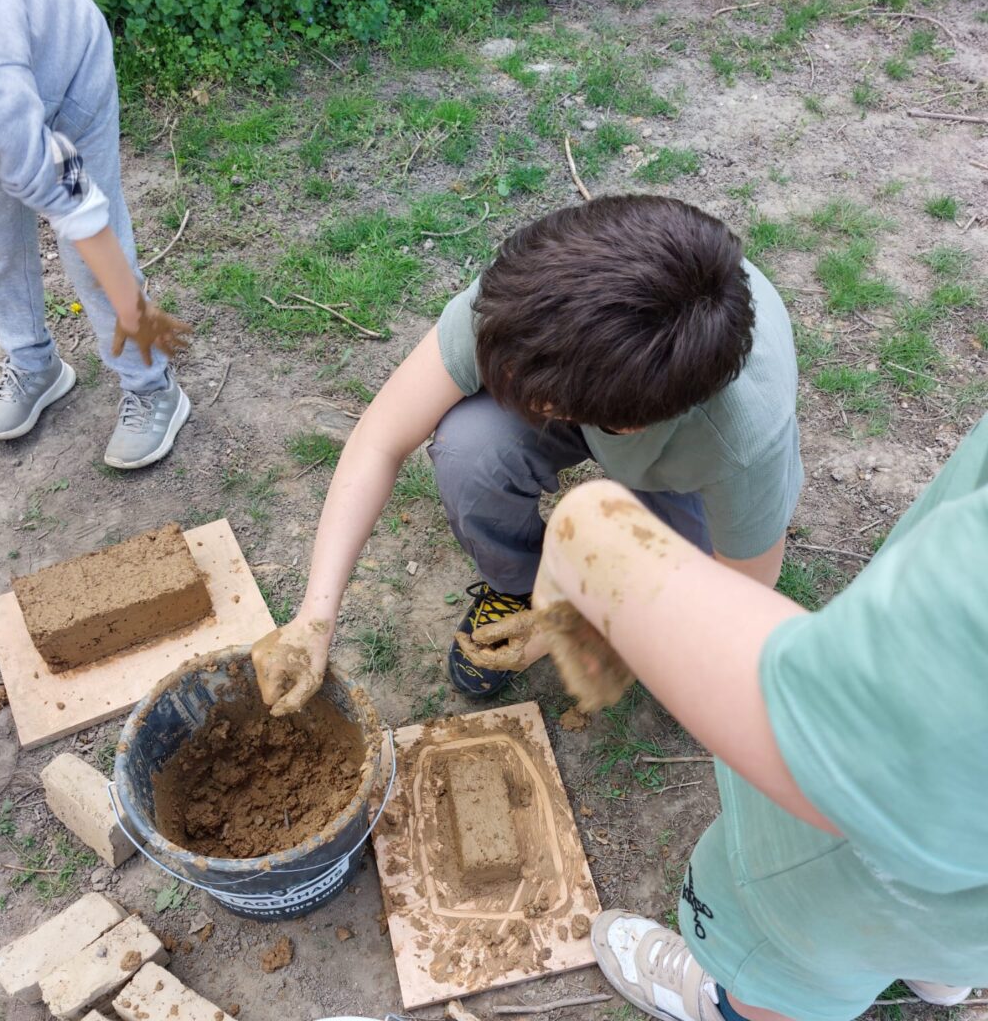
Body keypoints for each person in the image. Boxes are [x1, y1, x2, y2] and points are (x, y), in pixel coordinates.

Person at [518, 412, 988, 1021]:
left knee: (786, 937)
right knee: (952, 915)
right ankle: (943, 970)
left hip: (855, 864)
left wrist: (587, 540)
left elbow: (848, 748)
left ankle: (734, 998)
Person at [253, 195, 802, 714]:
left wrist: (580, 626)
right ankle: (519, 586)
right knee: (470, 447)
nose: (506, 381)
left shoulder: (740, 442)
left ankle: (585, 587)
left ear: (624, 425)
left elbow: (742, 594)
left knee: (672, 604)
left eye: (537, 396)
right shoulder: (532, 303)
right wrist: (315, 618)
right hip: (613, 389)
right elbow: (379, 438)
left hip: (675, 448)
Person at [0, 0, 191, 469]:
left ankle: (150, 386)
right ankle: (34, 364)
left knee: (90, 261)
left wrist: (132, 303)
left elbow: (74, 200)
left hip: (64, 75)